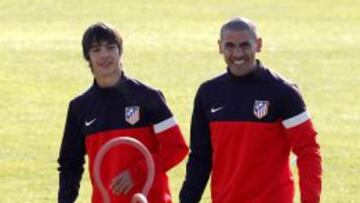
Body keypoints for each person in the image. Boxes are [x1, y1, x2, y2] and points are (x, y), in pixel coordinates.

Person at [179, 17, 322, 203]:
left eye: (245, 45)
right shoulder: (208, 93)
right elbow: (200, 156)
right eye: (230, 45)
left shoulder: (283, 92)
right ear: (220, 46)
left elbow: (308, 150)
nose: (237, 53)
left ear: (258, 44)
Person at [57, 22, 188, 203]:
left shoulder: (149, 96)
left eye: (110, 47)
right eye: (96, 50)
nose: (104, 55)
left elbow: (177, 148)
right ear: (87, 56)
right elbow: (70, 164)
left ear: (120, 52)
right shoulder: (80, 107)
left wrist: (137, 173)